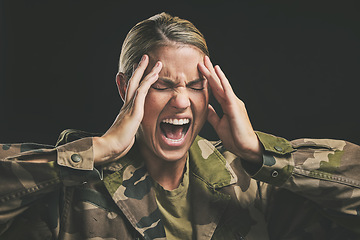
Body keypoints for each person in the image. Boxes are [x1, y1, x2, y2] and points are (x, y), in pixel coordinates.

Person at [0, 12, 359, 240]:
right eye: (162, 85)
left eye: (196, 86)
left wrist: (259, 153)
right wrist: (99, 150)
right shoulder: (68, 191)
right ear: (126, 89)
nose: (182, 101)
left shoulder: (253, 185)